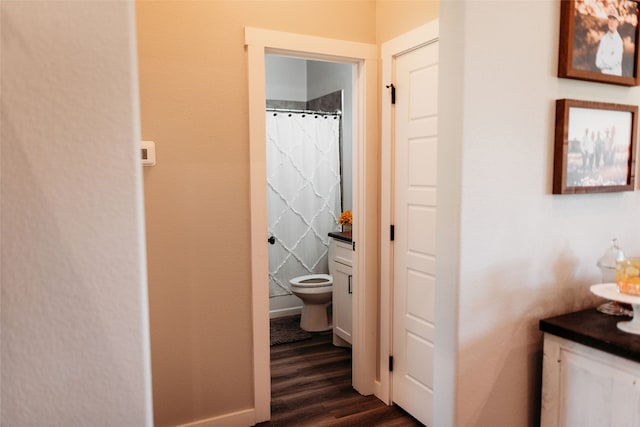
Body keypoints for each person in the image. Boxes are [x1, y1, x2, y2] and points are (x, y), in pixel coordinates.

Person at [595, 6, 624, 76]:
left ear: (617, 23)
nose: (611, 22)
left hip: (615, 80)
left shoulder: (619, 41)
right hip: (603, 78)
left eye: (614, 19)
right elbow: (597, 62)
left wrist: (603, 59)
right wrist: (609, 57)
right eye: (610, 19)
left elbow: (612, 63)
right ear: (607, 21)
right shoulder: (603, 39)